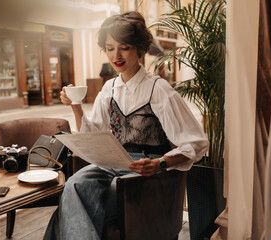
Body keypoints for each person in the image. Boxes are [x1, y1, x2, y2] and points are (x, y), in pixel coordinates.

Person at [56, 11, 209, 240]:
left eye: (124, 47)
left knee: (99, 197)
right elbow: (93, 135)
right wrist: (75, 105)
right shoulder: (109, 89)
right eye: (109, 48)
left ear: (139, 48)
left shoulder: (159, 90)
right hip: (112, 165)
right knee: (75, 184)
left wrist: (160, 163)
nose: (116, 55)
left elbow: (197, 144)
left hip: (147, 170)